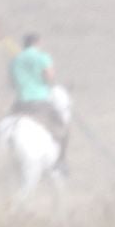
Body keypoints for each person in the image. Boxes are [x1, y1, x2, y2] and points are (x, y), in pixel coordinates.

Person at [8, 32, 69, 170]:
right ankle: (60, 162)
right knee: (62, 129)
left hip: (19, 104)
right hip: (39, 103)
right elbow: (50, 77)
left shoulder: (15, 60)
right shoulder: (42, 57)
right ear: (38, 43)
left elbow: (12, 83)